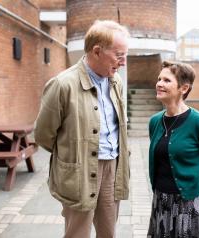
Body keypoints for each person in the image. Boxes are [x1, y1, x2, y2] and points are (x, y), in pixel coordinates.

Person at [34, 20, 130, 238]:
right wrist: (72, 154)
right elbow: (43, 135)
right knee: (77, 233)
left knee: (108, 232)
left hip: (112, 167)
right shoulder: (62, 84)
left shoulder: (116, 82)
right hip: (79, 170)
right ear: (97, 51)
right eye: (119, 55)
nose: (123, 62)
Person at [147, 61, 199, 238]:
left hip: (193, 201)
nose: (159, 83)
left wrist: (195, 183)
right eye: (159, 79)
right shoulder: (155, 122)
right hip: (162, 199)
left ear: (184, 88)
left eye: (166, 80)